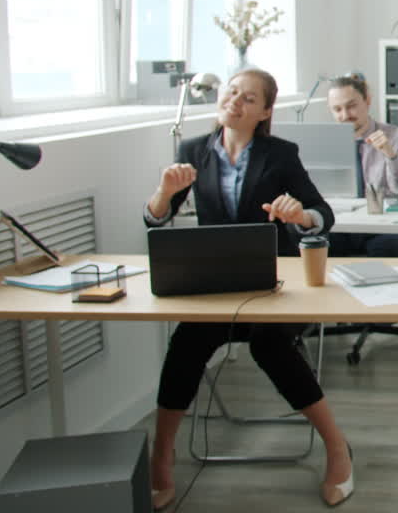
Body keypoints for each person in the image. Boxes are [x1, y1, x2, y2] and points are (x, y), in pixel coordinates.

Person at [143, 69, 354, 509]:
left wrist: (300, 216)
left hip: (273, 288)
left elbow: (322, 212)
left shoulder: (280, 154)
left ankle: (337, 447)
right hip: (214, 288)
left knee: (269, 345)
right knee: (186, 342)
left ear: (265, 111)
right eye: (231, 92)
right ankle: (162, 454)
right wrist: (163, 193)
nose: (235, 101)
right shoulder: (193, 151)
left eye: (249, 98)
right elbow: (156, 220)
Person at [326, 73, 398, 258]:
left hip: (380, 225)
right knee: (311, 247)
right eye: (337, 109)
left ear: (367, 100)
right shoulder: (325, 141)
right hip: (339, 224)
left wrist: (389, 154)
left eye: (351, 106)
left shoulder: (396, 136)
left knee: (392, 250)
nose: (345, 116)